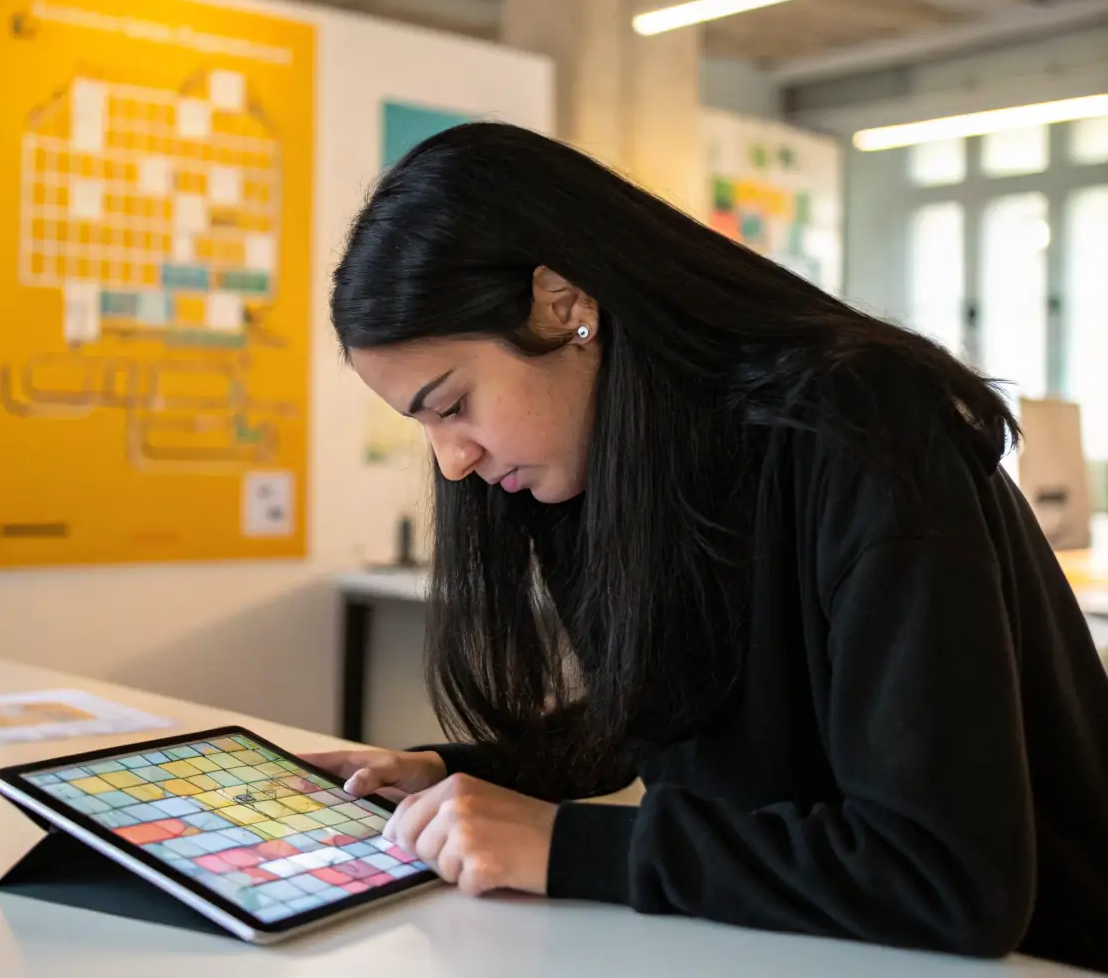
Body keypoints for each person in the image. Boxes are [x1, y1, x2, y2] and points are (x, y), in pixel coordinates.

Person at [303, 122, 1108, 971]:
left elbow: (941, 879)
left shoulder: (862, 423)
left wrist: (564, 844)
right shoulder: (617, 460)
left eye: (451, 405)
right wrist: (454, 776)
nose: (451, 462)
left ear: (562, 304)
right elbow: (674, 704)